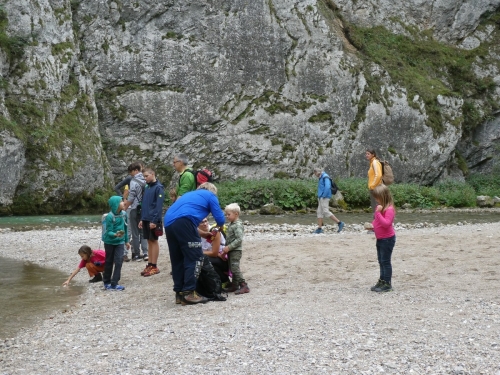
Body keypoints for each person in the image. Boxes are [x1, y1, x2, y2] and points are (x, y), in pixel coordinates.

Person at [164, 182, 225, 305]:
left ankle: (179, 293)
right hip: (184, 222)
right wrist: (218, 228)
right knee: (195, 256)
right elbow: (220, 218)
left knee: (178, 258)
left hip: (168, 222)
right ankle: (189, 293)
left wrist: (202, 234)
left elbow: (182, 216)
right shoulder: (210, 195)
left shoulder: (189, 195)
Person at [138, 168, 165, 277]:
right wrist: (141, 218)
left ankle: (154, 266)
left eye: (146, 176)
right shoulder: (147, 187)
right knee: (149, 241)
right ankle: (149, 264)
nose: (145, 178)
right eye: (143, 176)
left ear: (152, 174)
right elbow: (144, 204)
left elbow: (159, 206)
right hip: (145, 218)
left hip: (153, 219)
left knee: (154, 241)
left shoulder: (159, 188)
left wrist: (155, 220)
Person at [370, 184, 396, 293]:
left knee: (385, 261)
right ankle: (382, 280)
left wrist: (378, 213)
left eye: (377, 197)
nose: (376, 200)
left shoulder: (389, 209)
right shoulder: (379, 208)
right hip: (380, 238)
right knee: (381, 261)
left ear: (383, 196)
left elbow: (386, 224)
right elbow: (377, 221)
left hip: (387, 239)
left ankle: (387, 283)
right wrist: (372, 226)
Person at [102, 196, 130, 291]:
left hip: (120, 242)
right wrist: (115, 234)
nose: (123, 203)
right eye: (121, 201)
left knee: (119, 261)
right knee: (109, 261)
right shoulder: (109, 217)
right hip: (109, 242)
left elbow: (125, 228)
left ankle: (114, 283)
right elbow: (108, 231)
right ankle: (106, 282)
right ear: (115, 204)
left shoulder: (124, 214)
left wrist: (126, 241)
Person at [122, 162, 148, 262]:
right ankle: (145, 253)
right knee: (144, 231)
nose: (130, 174)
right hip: (145, 209)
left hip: (135, 208)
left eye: (131, 172)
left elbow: (131, 197)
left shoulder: (133, 181)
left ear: (136, 170)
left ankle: (136, 254)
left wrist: (125, 207)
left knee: (135, 232)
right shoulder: (146, 178)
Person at [222, 203, 250, 294]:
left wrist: (229, 247)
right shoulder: (232, 224)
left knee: (235, 268)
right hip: (231, 250)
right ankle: (234, 285)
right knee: (232, 266)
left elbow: (239, 239)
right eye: (226, 214)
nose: (227, 216)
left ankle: (243, 285)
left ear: (236, 214)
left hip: (236, 250)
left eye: (228, 214)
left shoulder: (237, 225)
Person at [312, 167, 344, 234]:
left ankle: (340, 223)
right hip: (321, 197)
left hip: (324, 197)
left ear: (317, 172)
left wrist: (323, 195)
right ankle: (319, 228)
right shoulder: (321, 177)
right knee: (319, 212)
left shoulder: (325, 177)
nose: (315, 175)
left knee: (326, 211)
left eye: (315, 174)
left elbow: (327, 186)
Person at [198, 217, 229, 284]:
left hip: (223, 259)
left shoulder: (214, 232)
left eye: (206, 221)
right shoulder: (196, 234)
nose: (205, 224)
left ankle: (224, 280)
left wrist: (199, 253)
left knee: (203, 260)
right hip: (213, 256)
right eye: (202, 222)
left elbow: (214, 253)